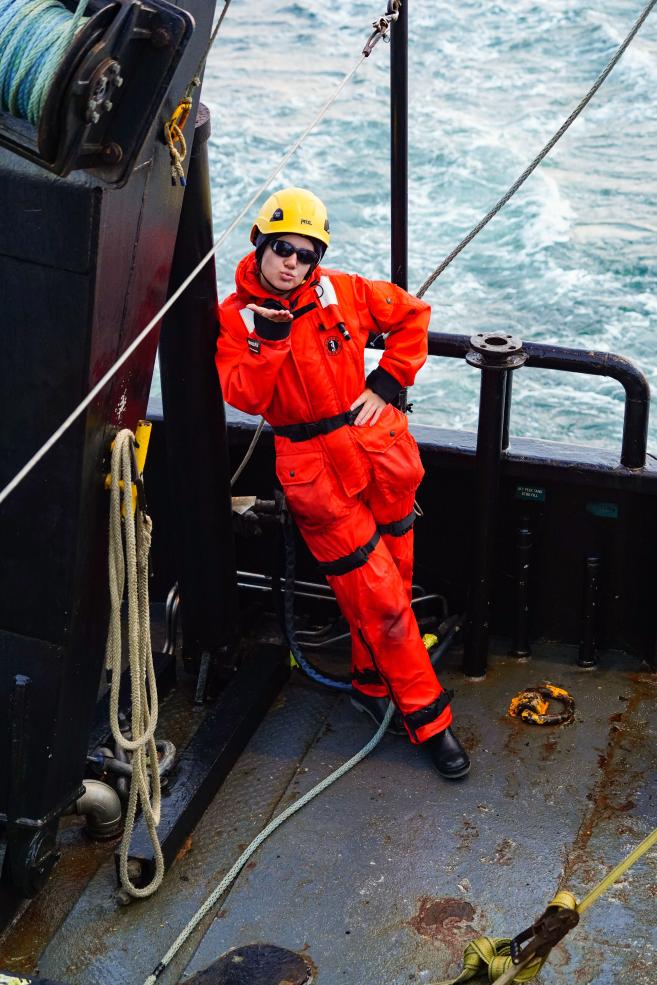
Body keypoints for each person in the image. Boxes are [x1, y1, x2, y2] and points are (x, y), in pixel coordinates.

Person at [215, 187, 470, 780]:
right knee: (381, 599)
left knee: (395, 586)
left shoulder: (344, 292)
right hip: (315, 474)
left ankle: (368, 681)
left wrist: (388, 381)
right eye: (282, 249)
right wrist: (271, 340)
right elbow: (245, 395)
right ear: (260, 245)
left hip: (379, 458)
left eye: (307, 255)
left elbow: (412, 315)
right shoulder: (236, 317)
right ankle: (429, 721)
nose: (293, 265)